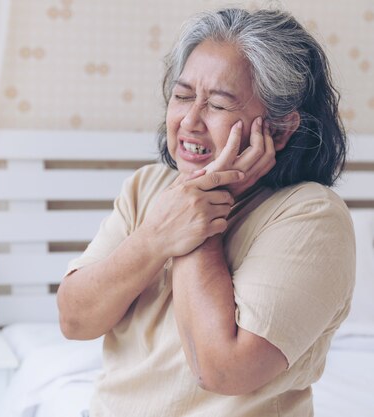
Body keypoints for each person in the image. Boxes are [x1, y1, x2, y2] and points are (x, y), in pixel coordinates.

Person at [57, 7, 355, 417]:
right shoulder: (148, 187)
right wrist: (156, 235)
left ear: (281, 129)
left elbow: (222, 370)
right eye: (181, 96)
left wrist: (202, 211)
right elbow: (75, 321)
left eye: (216, 104)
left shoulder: (312, 217)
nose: (189, 121)